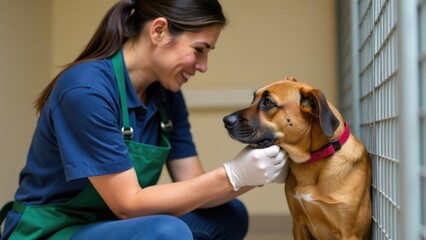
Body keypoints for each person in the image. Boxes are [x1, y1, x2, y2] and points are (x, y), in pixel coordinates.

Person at [0, 0, 288, 239]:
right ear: (159, 30)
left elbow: (196, 186)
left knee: (229, 216)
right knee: (167, 232)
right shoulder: (86, 90)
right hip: (52, 229)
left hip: (109, 221)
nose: (203, 66)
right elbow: (128, 205)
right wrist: (232, 175)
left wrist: (257, 173)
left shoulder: (166, 95)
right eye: (199, 50)